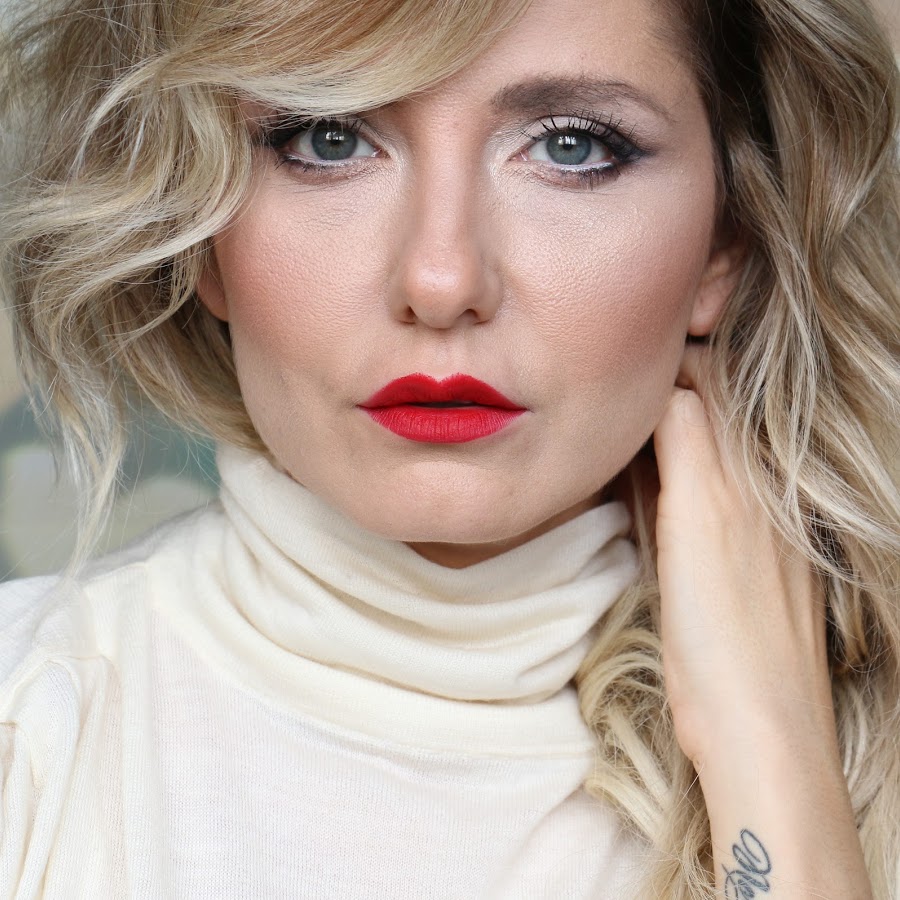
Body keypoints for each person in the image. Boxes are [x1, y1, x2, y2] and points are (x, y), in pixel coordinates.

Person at [0, 0, 897, 896]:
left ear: (726, 240)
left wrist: (767, 741)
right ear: (197, 225)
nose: (440, 280)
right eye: (327, 138)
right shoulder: (24, 722)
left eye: (571, 147)